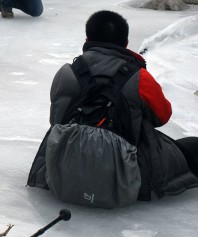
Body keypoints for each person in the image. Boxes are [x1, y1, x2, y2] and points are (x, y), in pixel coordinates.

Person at [27, 10, 198, 207]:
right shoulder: (139, 77)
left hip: (64, 172)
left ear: (87, 38)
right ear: (125, 43)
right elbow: (163, 116)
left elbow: (56, 121)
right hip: (124, 175)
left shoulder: (67, 73)